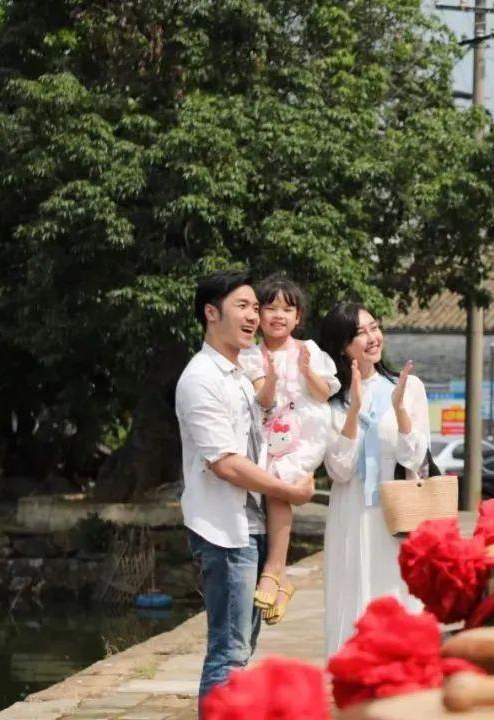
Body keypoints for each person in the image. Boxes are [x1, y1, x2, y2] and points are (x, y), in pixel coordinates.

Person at [174, 270, 315, 710]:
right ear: (211, 313)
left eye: (256, 306)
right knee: (229, 652)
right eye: (243, 306)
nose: (254, 315)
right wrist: (287, 491)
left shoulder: (239, 373)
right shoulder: (201, 379)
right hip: (223, 530)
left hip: (249, 524)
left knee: (241, 649)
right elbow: (226, 464)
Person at [320, 302, 431, 655]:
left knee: (399, 596)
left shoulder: (409, 386)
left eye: (374, 327)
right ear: (342, 346)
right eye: (359, 333)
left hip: (397, 515)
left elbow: (415, 457)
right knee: (352, 595)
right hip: (352, 515)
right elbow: (339, 470)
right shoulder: (330, 399)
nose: (372, 337)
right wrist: (353, 409)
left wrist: (399, 410)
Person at [237, 274, 340, 625]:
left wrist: (306, 372)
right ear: (259, 315)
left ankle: (274, 569)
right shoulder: (251, 356)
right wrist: (273, 379)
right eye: (270, 308)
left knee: (278, 490)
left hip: (306, 431)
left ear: (298, 317)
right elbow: (263, 400)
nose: (278, 315)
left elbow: (325, 393)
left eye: (287, 308)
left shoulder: (309, 349)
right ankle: (280, 583)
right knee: (272, 492)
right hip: (268, 432)